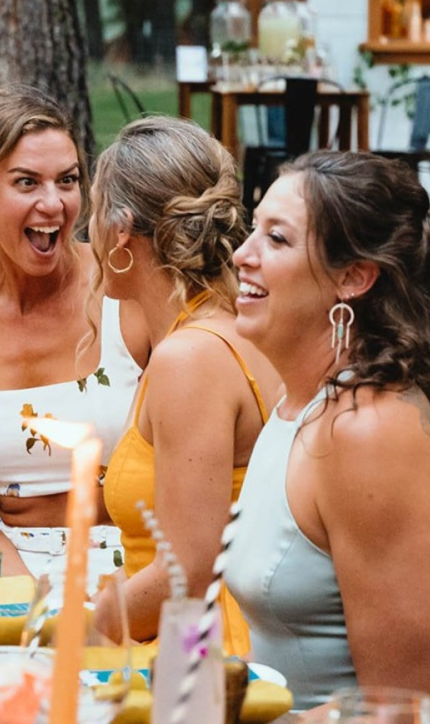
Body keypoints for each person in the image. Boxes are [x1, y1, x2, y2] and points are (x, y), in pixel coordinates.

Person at [226, 151, 430, 708]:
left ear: (353, 277)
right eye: (252, 229)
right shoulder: (299, 404)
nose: (241, 255)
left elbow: (403, 706)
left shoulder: (366, 434)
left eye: (276, 240)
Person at [0, 86, 150, 583]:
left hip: (132, 565)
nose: (54, 204)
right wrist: (29, 597)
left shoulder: (124, 285)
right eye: (26, 183)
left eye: (67, 181)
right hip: (6, 565)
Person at [91, 116, 279, 654]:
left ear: (122, 230)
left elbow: (186, 575)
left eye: (96, 213)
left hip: (196, 652)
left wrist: (86, 624)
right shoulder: (231, 324)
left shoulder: (189, 358)